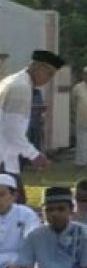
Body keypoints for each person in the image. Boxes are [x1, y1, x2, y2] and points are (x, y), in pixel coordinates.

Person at [0, 50, 64, 201]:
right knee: (16, 208)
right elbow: (12, 131)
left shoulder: (13, 81)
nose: (49, 79)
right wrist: (34, 155)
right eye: (49, 74)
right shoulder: (21, 87)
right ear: (38, 67)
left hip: (7, 157)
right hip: (3, 160)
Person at [0, 174, 40, 268]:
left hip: (17, 267)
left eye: (1, 195)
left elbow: (31, 243)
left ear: (14, 196)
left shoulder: (26, 214)